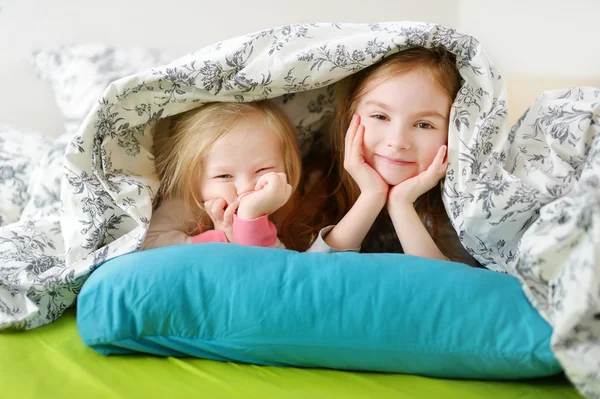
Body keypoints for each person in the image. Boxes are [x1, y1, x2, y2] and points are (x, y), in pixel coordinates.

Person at [306, 47, 480, 266]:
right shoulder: (317, 183)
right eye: (380, 116)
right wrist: (371, 196)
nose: (397, 141)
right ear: (350, 117)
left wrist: (401, 205)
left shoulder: (458, 207)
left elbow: (450, 293)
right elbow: (312, 278)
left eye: (424, 124)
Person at [141, 101, 304, 251]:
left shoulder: (289, 204)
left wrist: (250, 220)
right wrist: (223, 237)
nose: (245, 187)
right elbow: (146, 246)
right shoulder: (186, 205)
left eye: (263, 169)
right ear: (193, 180)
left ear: (287, 164)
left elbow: (282, 267)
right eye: (224, 175)